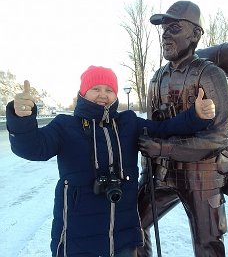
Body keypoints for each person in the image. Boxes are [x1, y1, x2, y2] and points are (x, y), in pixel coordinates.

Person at [6, 65, 216, 257]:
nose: (103, 95)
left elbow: (165, 129)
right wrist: (21, 120)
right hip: (76, 240)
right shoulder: (65, 126)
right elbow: (32, 148)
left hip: (123, 238)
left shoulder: (128, 123)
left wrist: (196, 115)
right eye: (96, 88)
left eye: (109, 90)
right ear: (83, 92)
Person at [137, 1, 228, 257]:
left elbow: (220, 135)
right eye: (164, 30)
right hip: (162, 174)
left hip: (202, 176)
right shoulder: (157, 78)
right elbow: (154, 127)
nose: (166, 35)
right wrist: (147, 163)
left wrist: (165, 148)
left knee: (208, 246)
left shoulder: (211, 75)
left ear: (195, 34)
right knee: (131, 223)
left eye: (174, 28)